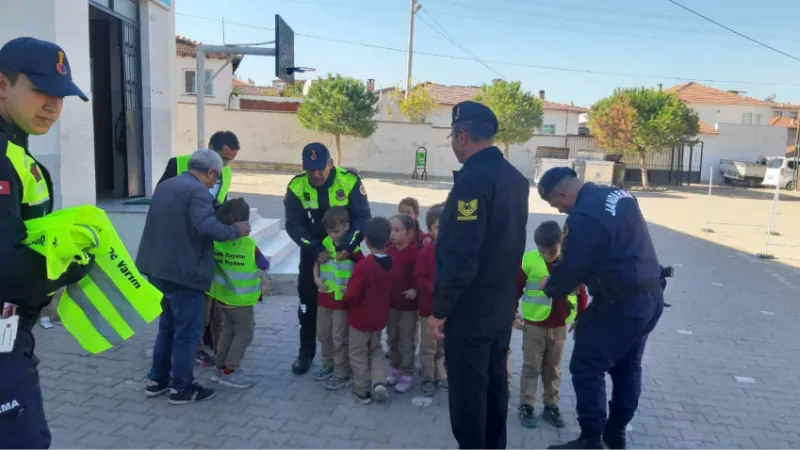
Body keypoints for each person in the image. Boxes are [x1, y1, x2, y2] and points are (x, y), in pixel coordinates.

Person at [0, 36, 94, 449]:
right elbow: (8, 269)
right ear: (2, 85)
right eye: (40, 89)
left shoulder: (19, 156)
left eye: (61, 94)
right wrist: (77, 263)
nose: (54, 105)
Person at [537, 167, 664, 450]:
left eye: (555, 204)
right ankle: (615, 434)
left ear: (561, 193)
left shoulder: (583, 217)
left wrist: (551, 285)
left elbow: (572, 268)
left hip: (621, 304)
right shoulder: (618, 194)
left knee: (586, 366)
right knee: (628, 366)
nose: (558, 210)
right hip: (650, 296)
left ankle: (590, 439)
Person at [428, 101, 529, 450]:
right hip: (500, 306)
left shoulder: (473, 181)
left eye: (452, 137)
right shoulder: (515, 178)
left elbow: (462, 256)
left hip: (471, 312)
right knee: (494, 387)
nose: (453, 144)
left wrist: (440, 310)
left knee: (470, 396)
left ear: (462, 134)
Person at [137, 149, 251, 405]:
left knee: (167, 326)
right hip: (183, 273)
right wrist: (236, 230)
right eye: (216, 177)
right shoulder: (198, 191)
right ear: (210, 172)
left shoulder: (167, 185)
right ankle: (182, 388)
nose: (215, 183)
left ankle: (157, 380)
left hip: (157, 268)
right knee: (187, 332)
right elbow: (207, 227)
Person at [284, 142, 371, 375]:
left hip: (345, 255)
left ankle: (351, 357)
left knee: (347, 303)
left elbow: (363, 218)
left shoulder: (349, 181)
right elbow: (293, 225)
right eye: (310, 169)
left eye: (320, 168)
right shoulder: (296, 186)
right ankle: (306, 352)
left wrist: (348, 245)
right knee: (308, 304)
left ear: (330, 164)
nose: (315, 174)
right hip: (313, 255)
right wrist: (314, 249)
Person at [158, 130, 240, 366]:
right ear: (210, 148)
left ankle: (205, 345)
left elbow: (218, 206)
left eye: (229, 161)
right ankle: (181, 363)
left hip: (206, 244)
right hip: (181, 248)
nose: (224, 166)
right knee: (182, 313)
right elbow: (164, 201)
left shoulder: (227, 174)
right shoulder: (179, 164)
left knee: (207, 305)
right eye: (222, 159)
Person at [515, 220, 588, 429]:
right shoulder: (528, 261)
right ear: (536, 244)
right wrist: (512, 311)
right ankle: (526, 405)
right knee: (531, 366)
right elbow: (515, 287)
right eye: (542, 249)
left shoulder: (570, 263)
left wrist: (581, 316)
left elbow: (581, 290)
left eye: (551, 249)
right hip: (534, 324)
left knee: (553, 368)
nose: (546, 253)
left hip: (559, 326)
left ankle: (551, 406)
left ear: (560, 242)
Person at [208, 198, 270, 389]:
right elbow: (264, 264)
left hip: (221, 298)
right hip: (241, 300)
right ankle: (231, 370)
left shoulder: (216, 241)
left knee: (228, 330)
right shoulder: (248, 245)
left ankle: (219, 366)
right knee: (244, 333)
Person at [342, 217, 393, 404]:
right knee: (376, 351)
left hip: (360, 319)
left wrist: (345, 298)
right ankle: (379, 382)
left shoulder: (364, 266)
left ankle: (362, 390)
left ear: (366, 240)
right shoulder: (391, 263)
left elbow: (353, 293)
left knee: (358, 354)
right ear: (388, 239)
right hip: (379, 319)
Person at [312, 206, 363, 390]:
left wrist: (352, 289)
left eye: (337, 231)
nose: (333, 235)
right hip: (324, 297)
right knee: (323, 333)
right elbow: (316, 264)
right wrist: (317, 280)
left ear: (347, 226)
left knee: (339, 338)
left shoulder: (352, 248)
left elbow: (362, 270)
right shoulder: (324, 243)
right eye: (330, 232)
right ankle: (328, 365)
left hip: (341, 301)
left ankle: (342, 373)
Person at [414, 205, 447, 397]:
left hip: (447, 310)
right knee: (428, 346)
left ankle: (440, 373)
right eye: (437, 227)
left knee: (442, 345)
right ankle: (427, 377)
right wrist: (434, 287)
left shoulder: (454, 252)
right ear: (429, 230)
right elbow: (419, 277)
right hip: (429, 308)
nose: (442, 231)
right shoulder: (427, 252)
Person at [386, 214, 420, 393]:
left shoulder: (415, 254)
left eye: (397, 230)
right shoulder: (387, 251)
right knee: (392, 337)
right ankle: (394, 368)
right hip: (390, 305)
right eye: (390, 230)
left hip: (408, 308)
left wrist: (415, 289)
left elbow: (421, 276)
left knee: (406, 340)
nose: (392, 234)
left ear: (410, 233)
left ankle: (406, 373)